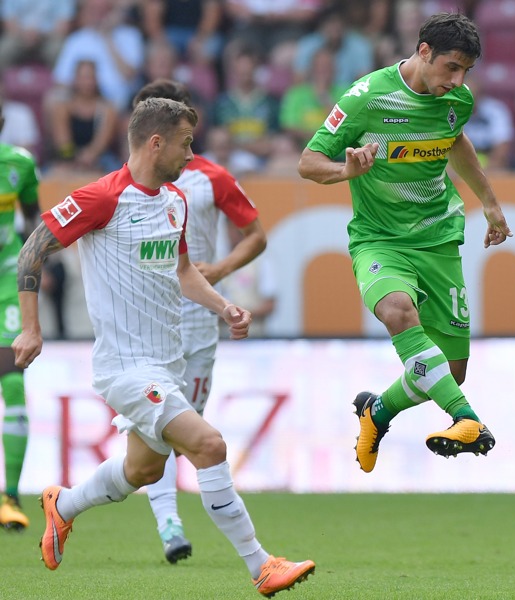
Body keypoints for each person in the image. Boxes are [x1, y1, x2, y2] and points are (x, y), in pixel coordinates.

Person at [13, 97, 313, 595]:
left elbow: (182, 271)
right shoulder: (102, 198)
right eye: (185, 143)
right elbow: (34, 246)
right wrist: (31, 327)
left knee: (143, 468)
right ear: (156, 142)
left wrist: (224, 307)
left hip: (167, 363)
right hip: (127, 370)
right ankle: (261, 564)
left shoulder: (175, 200)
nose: (191, 155)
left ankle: (62, 506)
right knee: (209, 445)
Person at [297, 12, 513, 473]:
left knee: (449, 371)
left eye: (466, 73)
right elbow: (308, 162)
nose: (457, 81)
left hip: (437, 239)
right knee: (398, 310)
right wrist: (345, 172)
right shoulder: (367, 97)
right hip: (380, 239)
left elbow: (456, 143)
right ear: (423, 52)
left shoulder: (458, 100)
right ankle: (467, 419)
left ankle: (377, 412)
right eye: (451, 68)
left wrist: (491, 205)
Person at [131, 80, 267, 564]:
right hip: (149, 323)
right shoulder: (125, 184)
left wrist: (222, 270)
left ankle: (87, 503)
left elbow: (255, 235)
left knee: (184, 427)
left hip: (198, 319)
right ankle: (169, 522)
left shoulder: (211, 178)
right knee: (162, 425)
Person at [0, 99, 40, 530]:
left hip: (6, 283)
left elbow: (32, 220)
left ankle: (9, 496)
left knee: (12, 377)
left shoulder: (18, 164)